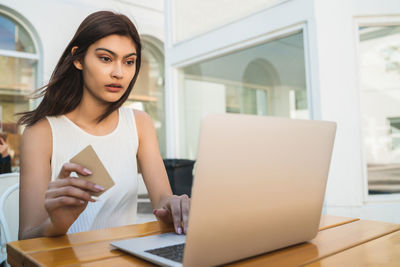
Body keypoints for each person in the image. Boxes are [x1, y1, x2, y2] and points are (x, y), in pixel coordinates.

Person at [17, 11, 190, 240]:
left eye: (129, 62)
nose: (119, 73)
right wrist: (56, 225)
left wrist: (175, 206)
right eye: (106, 58)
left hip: (123, 259)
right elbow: (26, 240)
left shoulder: (140, 124)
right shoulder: (41, 133)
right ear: (78, 59)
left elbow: (162, 201)